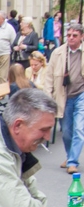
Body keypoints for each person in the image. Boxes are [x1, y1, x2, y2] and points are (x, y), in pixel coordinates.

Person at [46, 23, 84, 174]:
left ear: (81, 36)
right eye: (68, 35)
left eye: (75, 36)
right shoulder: (58, 53)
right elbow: (49, 77)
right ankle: (70, 156)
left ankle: (73, 161)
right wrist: (48, 98)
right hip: (63, 96)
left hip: (81, 95)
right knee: (67, 131)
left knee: (79, 129)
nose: (71, 38)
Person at [0, 11, 17, 84]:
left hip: (4, 54)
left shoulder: (9, 28)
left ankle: (2, 94)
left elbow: (13, 41)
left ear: (2, 19)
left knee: (2, 77)